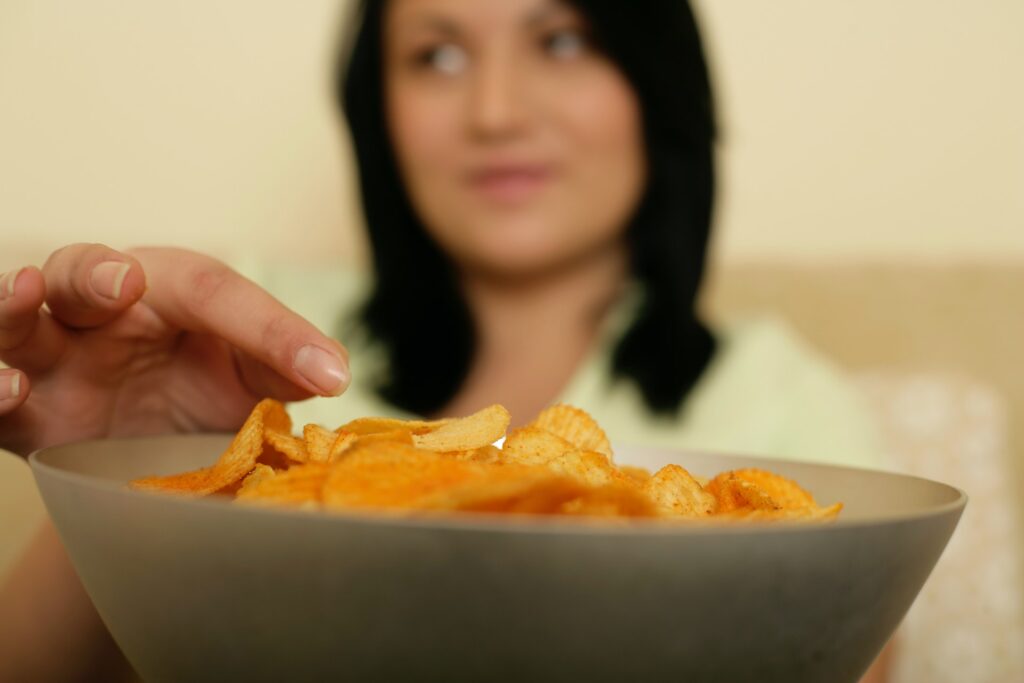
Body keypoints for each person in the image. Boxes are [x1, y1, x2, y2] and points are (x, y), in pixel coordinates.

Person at [0, 0, 883, 680]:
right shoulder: (236, 341)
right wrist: (120, 483)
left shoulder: (781, 399)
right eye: (439, 55)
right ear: (378, 107)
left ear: (656, 79)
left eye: (562, 39)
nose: (495, 110)